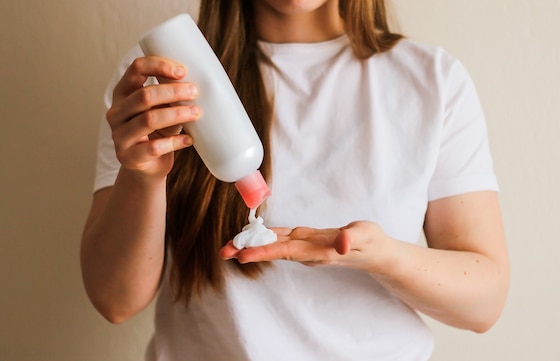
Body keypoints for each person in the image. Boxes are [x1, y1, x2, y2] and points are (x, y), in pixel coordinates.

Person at [80, 0, 510, 360]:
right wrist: (143, 176)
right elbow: (116, 301)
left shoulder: (431, 81)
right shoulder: (162, 84)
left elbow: (484, 305)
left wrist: (383, 257)